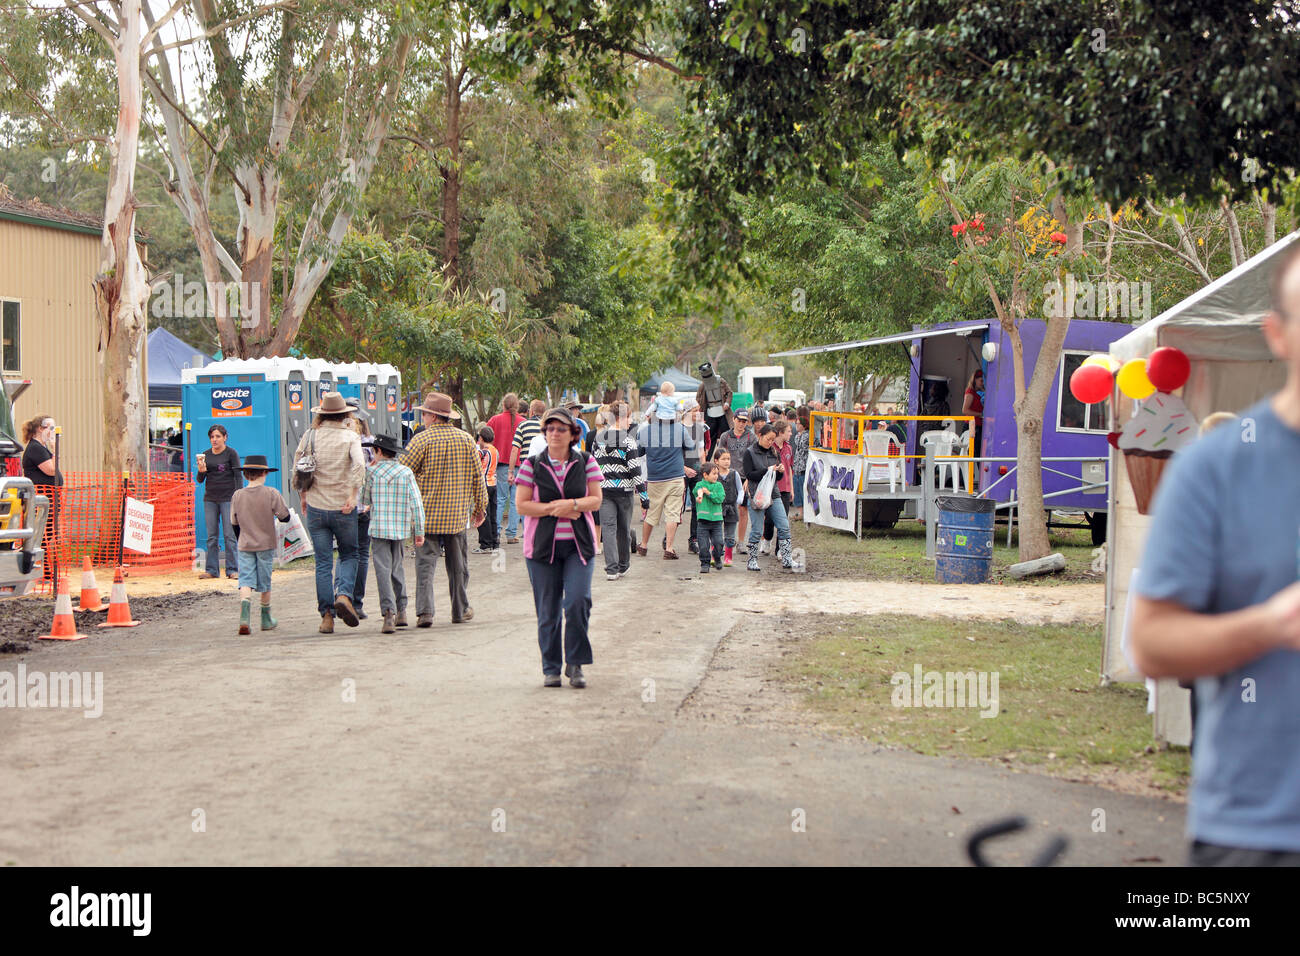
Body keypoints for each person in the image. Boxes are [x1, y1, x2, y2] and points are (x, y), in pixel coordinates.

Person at [1129, 242, 1300, 866]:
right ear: (1277, 335)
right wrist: (1274, 625)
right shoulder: (1216, 469)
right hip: (1259, 834)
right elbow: (1151, 643)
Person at [515, 407, 603, 688]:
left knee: (578, 602)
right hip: (542, 549)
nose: (554, 433)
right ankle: (551, 668)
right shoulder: (532, 465)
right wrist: (558, 509)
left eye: (560, 429)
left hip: (579, 547)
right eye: (550, 429)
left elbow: (596, 499)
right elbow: (522, 505)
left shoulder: (586, 461)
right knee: (548, 610)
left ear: (573, 434)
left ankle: (575, 664)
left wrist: (574, 504)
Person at [399, 392, 488, 627]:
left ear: (433, 416)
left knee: (425, 565)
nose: (423, 418)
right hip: (456, 516)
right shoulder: (467, 440)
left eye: (425, 414)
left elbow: (402, 471)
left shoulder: (420, 441)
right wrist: (480, 506)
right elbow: (477, 477)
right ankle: (460, 610)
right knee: (458, 567)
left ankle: (425, 612)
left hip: (426, 516)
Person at [295, 392, 366, 633]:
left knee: (323, 563)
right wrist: (353, 495)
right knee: (349, 554)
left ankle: (326, 616)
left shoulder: (309, 436)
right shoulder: (350, 437)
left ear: (321, 414)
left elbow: (299, 467)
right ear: (345, 414)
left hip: (316, 506)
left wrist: (303, 497)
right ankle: (344, 594)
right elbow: (359, 464)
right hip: (343, 508)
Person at [362, 432, 425, 634]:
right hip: (400, 529)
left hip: (379, 528)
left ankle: (388, 612)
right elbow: (416, 503)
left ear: (379, 451)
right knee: (397, 567)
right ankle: (402, 611)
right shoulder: (406, 472)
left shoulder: (372, 473)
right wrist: (419, 530)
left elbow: (365, 499)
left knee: (382, 570)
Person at [229, 455, 290, 635]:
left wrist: (242, 538)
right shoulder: (271, 493)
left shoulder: (237, 495)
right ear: (264, 473)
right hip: (265, 543)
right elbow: (284, 516)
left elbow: (234, 522)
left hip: (245, 543)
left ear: (246, 474)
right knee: (265, 581)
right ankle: (265, 618)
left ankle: (244, 617)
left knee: (245, 579)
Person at [636, 394, 697, 559]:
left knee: (651, 513)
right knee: (672, 513)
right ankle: (669, 548)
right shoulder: (679, 428)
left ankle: (643, 545)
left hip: (655, 478)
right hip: (676, 477)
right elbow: (691, 446)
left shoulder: (645, 431)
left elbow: (639, 452)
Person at [591, 401, 642, 581]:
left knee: (608, 529)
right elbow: (635, 469)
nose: (631, 421)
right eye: (629, 417)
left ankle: (611, 569)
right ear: (620, 418)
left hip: (604, 491)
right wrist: (643, 495)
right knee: (623, 530)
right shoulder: (628, 441)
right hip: (624, 491)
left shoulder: (598, 439)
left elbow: (593, 467)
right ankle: (623, 565)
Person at [742, 423, 793, 572]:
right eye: (768, 439)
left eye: (772, 440)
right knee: (757, 529)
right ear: (760, 436)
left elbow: (776, 477)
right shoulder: (750, 452)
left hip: (773, 493)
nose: (770, 442)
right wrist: (766, 470)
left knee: (783, 525)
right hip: (757, 494)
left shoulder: (773, 452)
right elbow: (749, 474)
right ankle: (752, 560)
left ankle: (787, 558)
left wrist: (780, 471)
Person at [195, 424, 241, 580]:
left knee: (229, 535)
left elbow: (238, 476)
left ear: (225, 437)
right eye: (212, 437)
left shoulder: (231, 453)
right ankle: (212, 570)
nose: (214, 440)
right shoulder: (205, 455)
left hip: (228, 499)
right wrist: (201, 471)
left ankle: (232, 570)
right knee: (212, 536)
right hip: (210, 499)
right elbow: (200, 480)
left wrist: (238, 496)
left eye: (218, 436)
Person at [347, 399, 374, 621]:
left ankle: (342, 596)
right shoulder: (369, 442)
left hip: (338, 504)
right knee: (362, 553)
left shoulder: (334, 439)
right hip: (363, 504)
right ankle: (357, 602)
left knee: (345, 553)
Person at [506, 400, 547, 543]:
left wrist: (511, 470)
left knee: (521, 500)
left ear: (531, 411)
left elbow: (515, 449)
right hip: (545, 468)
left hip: (526, 467)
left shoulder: (522, 425)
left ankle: (517, 531)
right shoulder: (548, 427)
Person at [487, 393, 524, 544]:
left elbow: (485, 439)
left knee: (500, 499)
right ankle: (511, 533)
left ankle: (495, 532)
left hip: (500, 464)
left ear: (503, 405)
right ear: (517, 406)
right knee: (515, 500)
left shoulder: (494, 420)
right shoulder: (523, 422)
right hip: (518, 465)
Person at [714, 407, 754, 546]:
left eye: (744, 421)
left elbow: (754, 459)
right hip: (726, 476)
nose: (742, 423)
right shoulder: (726, 436)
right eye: (739, 420)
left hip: (743, 477)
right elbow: (719, 454)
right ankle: (723, 539)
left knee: (743, 509)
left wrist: (749, 478)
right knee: (722, 507)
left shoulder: (751, 436)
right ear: (734, 420)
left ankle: (741, 541)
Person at [761, 420, 795, 554]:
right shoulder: (770, 447)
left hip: (785, 488)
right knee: (769, 518)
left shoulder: (789, 448)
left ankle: (780, 549)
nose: (791, 434)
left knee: (783, 520)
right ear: (780, 433)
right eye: (788, 431)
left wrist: (791, 489)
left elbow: (790, 470)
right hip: (772, 488)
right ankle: (767, 539)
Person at [681, 399, 709, 553]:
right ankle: (668, 536)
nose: (697, 413)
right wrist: (684, 469)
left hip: (697, 471)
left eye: (698, 410)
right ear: (686, 412)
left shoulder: (699, 428)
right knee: (677, 506)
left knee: (697, 506)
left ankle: (694, 539)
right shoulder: (678, 429)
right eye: (694, 410)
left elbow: (701, 452)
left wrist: (703, 472)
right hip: (680, 471)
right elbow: (674, 454)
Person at [693, 459, 726, 573]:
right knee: (703, 545)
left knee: (718, 543)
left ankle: (717, 557)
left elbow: (720, 498)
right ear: (705, 475)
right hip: (703, 522)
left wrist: (709, 493)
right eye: (714, 474)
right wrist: (699, 496)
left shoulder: (719, 486)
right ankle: (705, 563)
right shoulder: (700, 484)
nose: (716, 476)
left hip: (717, 521)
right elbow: (697, 491)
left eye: (717, 473)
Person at [715, 449, 744, 566]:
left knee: (730, 535)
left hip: (731, 508)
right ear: (716, 461)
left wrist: (739, 499)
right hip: (716, 508)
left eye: (728, 459)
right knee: (716, 533)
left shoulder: (734, 473)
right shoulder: (714, 474)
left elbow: (740, 489)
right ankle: (715, 555)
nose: (727, 462)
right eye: (723, 459)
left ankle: (728, 557)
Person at [474, 424, 500, 554]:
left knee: (483, 514)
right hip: (493, 483)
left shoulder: (483, 451)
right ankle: (495, 541)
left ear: (482, 438)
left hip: (484, 485)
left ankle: (485, 543)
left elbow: (474, 460)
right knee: (493, 514)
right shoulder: (495, 450)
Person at [696, 362, 733, 448]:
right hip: (710, 412)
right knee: (709, 436)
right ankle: (707, 456)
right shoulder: (702, 385)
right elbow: (698, 398)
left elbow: (729, 392)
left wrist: (727, 403)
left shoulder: (720, 381)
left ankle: (728, 455)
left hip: (723, 411)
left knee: (727, 435)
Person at [21, 415, 62, 489]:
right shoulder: (35, 447)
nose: (53, 431)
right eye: (51, 428)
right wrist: (55, 449)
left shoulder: (42, 446)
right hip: (42, 496)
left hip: (50, 495)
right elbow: (52, 471)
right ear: (41, 429)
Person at [790, 407, 810, 521]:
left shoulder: (807, 436)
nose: (796, 425)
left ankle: (805, 513)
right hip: (796, 465)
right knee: (797, 491)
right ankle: (800, 512)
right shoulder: (797, 436)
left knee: (803, 491)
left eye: (798, 424)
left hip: (803, 466)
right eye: (796, 423)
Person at [962, 369, 985, 456]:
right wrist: (980, 414)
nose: (982, 383)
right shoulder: (970, 392)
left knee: (978, 453)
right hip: (971, 426)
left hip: (978, 425)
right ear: (975, 379)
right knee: (970, 453)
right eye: (981, 381)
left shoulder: (979, 393)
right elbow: (965, 410)